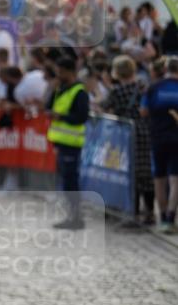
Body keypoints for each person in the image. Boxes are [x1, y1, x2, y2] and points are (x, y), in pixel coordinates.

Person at [101, 55, 154, 226]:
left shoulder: (117, 91)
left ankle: (133, 212)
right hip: (145, 132)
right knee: (145, 172)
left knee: (130, 173)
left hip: (124, 136)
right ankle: (150, 212)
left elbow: (103, 107)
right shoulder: (143, 87)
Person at [46, 56, 90, 230]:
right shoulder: (60, 89)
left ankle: (76, 218)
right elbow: (48, 106)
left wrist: (61, 117)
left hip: (72, 143)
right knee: (65, 182)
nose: (58, 75)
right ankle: (71, 216)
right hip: (60, 143)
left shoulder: (79, 92)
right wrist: (52, 90)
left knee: (71, 183)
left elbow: (82, 117)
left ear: (70, 72)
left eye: (60, 72)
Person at [141, 56, 178, 233]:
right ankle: (170, 218)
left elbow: (143, 111)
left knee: (159, 179)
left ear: (165, 69)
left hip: (157, 137)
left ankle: (162, 217)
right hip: (176, 138)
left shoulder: (153, 87)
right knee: (175, 179)